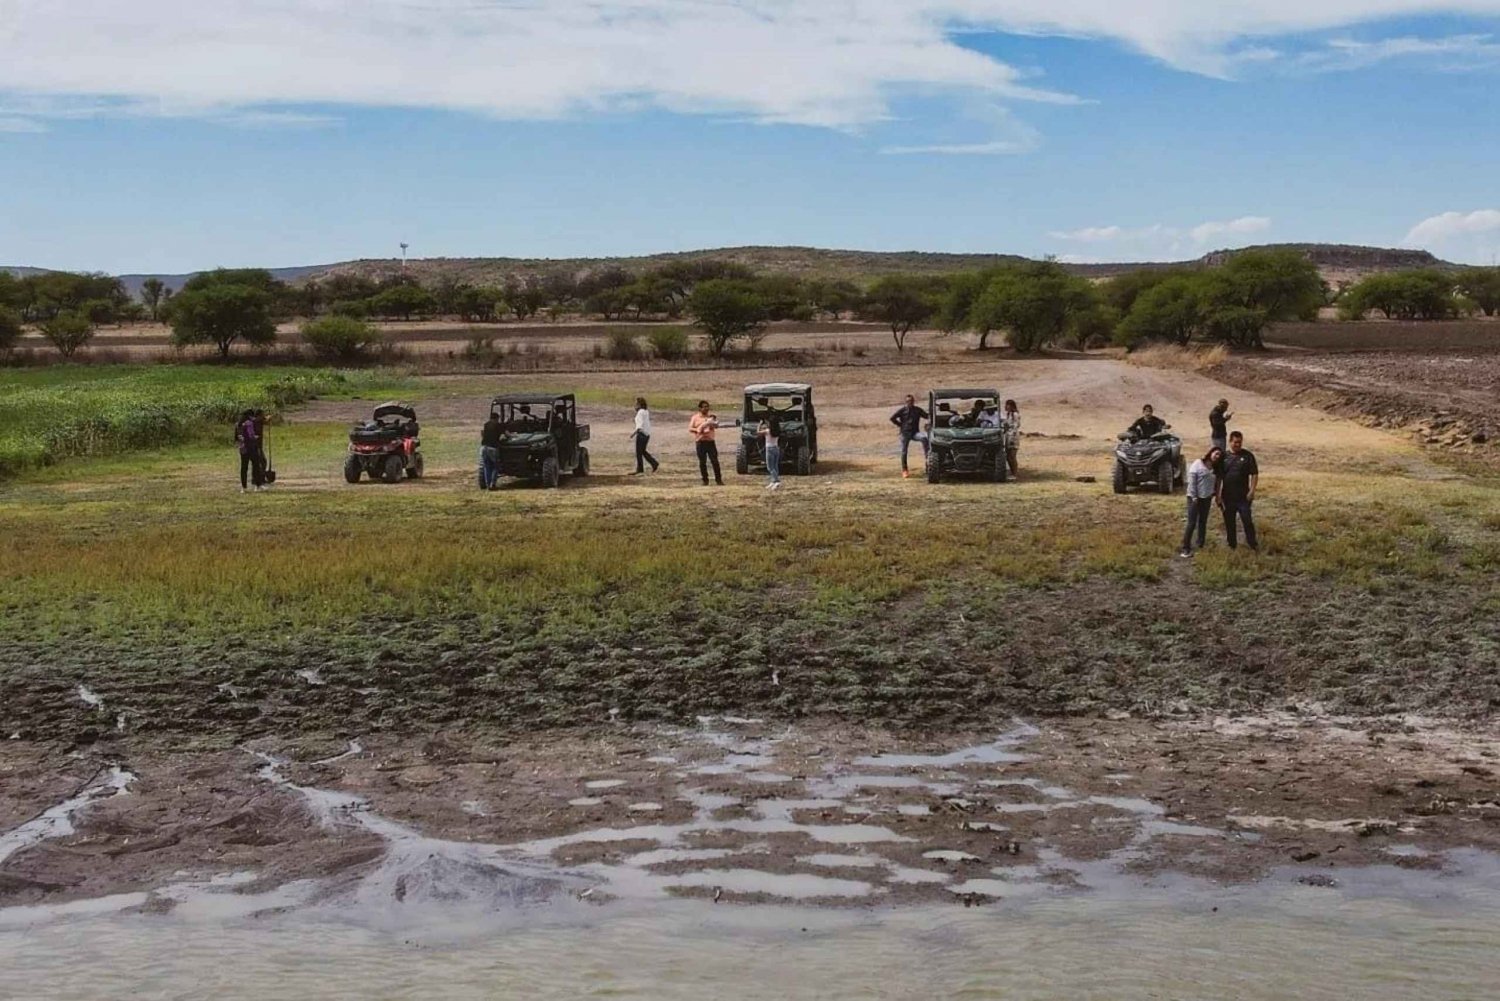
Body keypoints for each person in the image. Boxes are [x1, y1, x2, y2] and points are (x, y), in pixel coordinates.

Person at [1215, 431, 1259, 551]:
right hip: (1227, 497)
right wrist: (1217, 495)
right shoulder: (1224, 457)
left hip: (1243, 496)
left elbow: (1254, 474)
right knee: (1229, 522)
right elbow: (1219, 477)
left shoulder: (1248, 456)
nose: (1237, 445)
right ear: (1230, 442)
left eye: (1239, 442)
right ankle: (1232, 545)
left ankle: (1252, 544)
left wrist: (1252, 490)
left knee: (1247, 520)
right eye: (1235, 442)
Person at [1179, 446, 1223, 557]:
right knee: (1192, 523)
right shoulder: (1198, 463)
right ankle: (1185, 548)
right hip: (1194, 498)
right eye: (1216, 453)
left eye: (1219, 455)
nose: (1217, 457)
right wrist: (1194, 497)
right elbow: (1192, 481)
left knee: (1203, 521)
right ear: (1211, 453)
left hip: (1207, 498)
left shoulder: (1216, 467)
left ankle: (1200, 543)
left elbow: (1218, 483)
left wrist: (1217, 495)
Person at [889, 394, 929, 479]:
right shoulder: (902, 410)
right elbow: (892, 418)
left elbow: (927, 416)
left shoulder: (917, 410)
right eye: (908, 401)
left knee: (924, 438)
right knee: (904, 451)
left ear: (913, 401)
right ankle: (905, 470)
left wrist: (931, 417)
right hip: (905, 434)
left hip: (915, 433)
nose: (909, 403)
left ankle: (929, 465)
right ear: (906, 402)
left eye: (911, 401)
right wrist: (900, 425)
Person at [689, 400, 723, 486]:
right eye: (704, 407)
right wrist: (697, 430)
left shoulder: (711, 417)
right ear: (700, 408)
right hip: (700, 442)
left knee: (715, 461)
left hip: (710, 442)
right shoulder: (695, 418)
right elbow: (690, 428)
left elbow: (717, 426)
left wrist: (712, 424)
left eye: (707, 407)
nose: (706, 408)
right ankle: (705, 480)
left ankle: (718, 480)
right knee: (702, 462)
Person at [234, 409, 265, 491]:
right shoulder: (249, 423)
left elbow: (236, 438)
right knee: (256, 466)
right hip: (251, 447)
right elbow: (251, 435)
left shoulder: (238, 424)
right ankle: (257, 485)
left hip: (243, 448)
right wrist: (256, 437)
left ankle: (243, 487)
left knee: (244, 468)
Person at [632, 397, 659, 475]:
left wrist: (637, 430)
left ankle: (640, 469)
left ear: (639, 404)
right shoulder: (646, 412)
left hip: (641, 433)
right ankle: (654, 463)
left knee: (639, 452)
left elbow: (640, 424)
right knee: (642, 451)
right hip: (646, 434)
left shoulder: (640, 412)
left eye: (636, 404)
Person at [480, 410, 503, 490]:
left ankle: (487, 484)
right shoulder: (497, 425)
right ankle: (492, 484)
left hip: (483, 447)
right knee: (495, 467)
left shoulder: (486, 425)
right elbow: (506, 434)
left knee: (487, 467)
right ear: (497, 418)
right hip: (492, 448)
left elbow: (482, 433)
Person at [759, 413, 782, 491]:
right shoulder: (777, 430)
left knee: (770, 467)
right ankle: (773, 481)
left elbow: (758, 432)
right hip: (776, 448)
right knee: (775, 466)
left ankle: (776, 481)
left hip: (769, 449)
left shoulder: (767, 431)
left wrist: (759, 424)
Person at [1002, 399, 1021, 477]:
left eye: (1008, 405)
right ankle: (1012, 472)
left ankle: (1015, 473)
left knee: (1012, 456)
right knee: (1008, 456)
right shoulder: (1008, 415)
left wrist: (1012, 435)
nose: (1006, 406)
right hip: (1007, 436)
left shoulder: (1015, 415)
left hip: (1013, 436)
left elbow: (1016, 426)